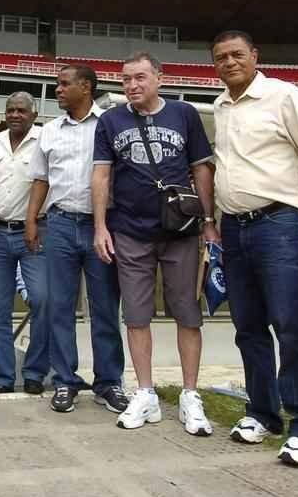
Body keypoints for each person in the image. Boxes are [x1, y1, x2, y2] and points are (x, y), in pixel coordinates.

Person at [210, 29, 298, 468]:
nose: (230, 62)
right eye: (221, 58)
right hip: (234, 228)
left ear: (255, 55)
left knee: (290, 325)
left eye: (237, 54)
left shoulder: (284, 96)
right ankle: (262, 412)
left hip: (278, 222)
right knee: (248, 326)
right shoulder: (220, 106)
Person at [92, 52, 217, 433]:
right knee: (135, 315)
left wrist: (209, 221)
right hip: (130, 231)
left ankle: (190, 394)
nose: (132, 85)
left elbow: (201, 168)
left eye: (140, 77)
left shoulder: (184, 114)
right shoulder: (111, 121)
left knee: (187, 313)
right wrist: (100, 226)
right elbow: (101, 175)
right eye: (126, 79)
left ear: (159, 78)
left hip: (180, 232)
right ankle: (145, 392)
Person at [26, 64, 127, 415]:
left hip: (102, 227)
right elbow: (40, 180)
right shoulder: (49, 132)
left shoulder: (110, 125)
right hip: (60, 225)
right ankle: (65, 381)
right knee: (59, 308)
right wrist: (31, 220)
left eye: (64, 84)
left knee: (104, 309)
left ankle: (109, 383)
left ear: (86, 87)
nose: (57, 90)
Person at [0, 91, 50, 395]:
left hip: (35, 233)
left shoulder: (45, 140)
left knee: (42, 300)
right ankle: (4, 378)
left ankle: (35, 372)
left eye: (22, 110)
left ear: (34, 115)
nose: (15, 115)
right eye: (10, 110)